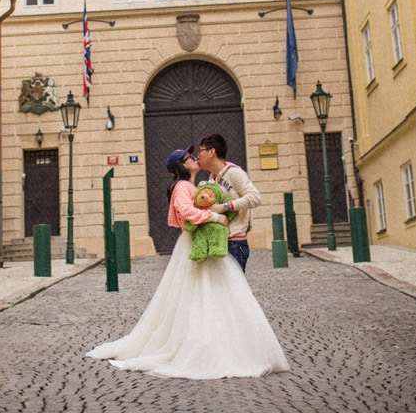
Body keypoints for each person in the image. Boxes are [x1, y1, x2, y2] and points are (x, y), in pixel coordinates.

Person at [86, 145, 289, 379]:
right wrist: (215, 216)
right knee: (200, 292)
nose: (194, 158)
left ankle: (216, 339)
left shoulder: (193, 185)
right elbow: (186, 212)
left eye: (194, 155)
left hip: (200, 242)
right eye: (189, 157)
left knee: (208, 292)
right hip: (193, 243)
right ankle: (207, 343)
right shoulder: (182, 187)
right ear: (182, 165)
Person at [196, 133, 261, 273]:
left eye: (200, 151)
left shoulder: (234, 173)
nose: (197, 156)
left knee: (235, 292)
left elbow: (255, 197)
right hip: (218, 241)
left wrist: (225, 207)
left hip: (235, 242)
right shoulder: (212, 178)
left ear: (212, 152)